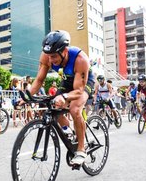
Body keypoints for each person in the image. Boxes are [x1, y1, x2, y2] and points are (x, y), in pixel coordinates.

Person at [27, 30, 95, 165]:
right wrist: (27, 96)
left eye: (53, 56)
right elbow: (39, 80)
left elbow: (78, 91)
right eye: (49, 56)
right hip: (67, 80)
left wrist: (64, 96)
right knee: (54, 106)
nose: (51, 60)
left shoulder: (80, 59)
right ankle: (68, 131)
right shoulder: (47, 56)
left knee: (75, 109)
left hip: (84, 82)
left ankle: (81, 149)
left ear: (64, 51)